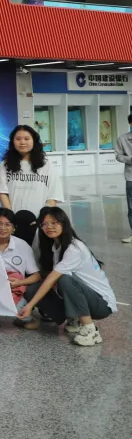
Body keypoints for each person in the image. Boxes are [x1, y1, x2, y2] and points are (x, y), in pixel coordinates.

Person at [19, 207, 117, 346]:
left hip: (101, 304)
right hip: (85, 299)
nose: (49, 227)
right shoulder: (56, 247)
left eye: (54, 222)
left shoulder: (74, 249)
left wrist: (29, 306)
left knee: (64, 279)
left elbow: (52, 279)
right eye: (45, 224)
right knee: (33, 289)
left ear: (64, 223)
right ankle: (74, 319)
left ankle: (90, 330)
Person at [0, 125, 62, 246]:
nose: (22, 142)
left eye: (26, 139)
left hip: (40, 221)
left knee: (40, 251)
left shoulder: (46, 165)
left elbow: (53, 195)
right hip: (15, 222)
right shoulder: (5, 165)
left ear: (34, 141)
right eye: (18, 139)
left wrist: (43, 218)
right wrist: (11, 218)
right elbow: (2, 192)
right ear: (12, 142)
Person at [116, 113, 132, 244]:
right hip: (131, 177)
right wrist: (130, 159)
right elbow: (118, 156)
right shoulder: (122, 139)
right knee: (131, 208)